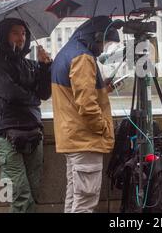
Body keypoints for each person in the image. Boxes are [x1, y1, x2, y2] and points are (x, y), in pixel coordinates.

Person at [51, 15, 120, 213]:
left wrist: (103, 88)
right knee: (85, 203)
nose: (105, 48)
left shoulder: (67, 52)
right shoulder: (83, 58)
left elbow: (74, 96)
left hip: (72, 138)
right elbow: (87, 105)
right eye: (106, 43)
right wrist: (103, 127)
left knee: (74, 198)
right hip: (85, 140)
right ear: (96, 36)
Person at [0, 18, 52, 213]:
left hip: (33, 132)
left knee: (33, 191)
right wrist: (33, 97)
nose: (21, 37)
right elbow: (10, 93)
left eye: (23, 33)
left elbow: (45, 93)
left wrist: (45, 67)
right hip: (7, 135)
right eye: (15, 33)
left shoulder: (31, 64)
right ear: (4, 36)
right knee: (20, 195)